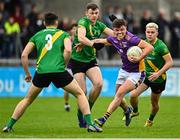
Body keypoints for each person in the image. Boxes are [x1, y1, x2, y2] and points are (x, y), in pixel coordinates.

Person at [2, 12, 102, 133]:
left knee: (27, 99)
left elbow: (24, 55)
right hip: (59, 71)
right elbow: (69, 50)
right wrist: (64, 65)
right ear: (56, 22)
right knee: (80, 94)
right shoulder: (63, 34)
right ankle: (90, 124)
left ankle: (9, 125)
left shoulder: (37, 35)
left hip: (41, 72)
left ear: (44, 23)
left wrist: (28, 74)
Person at [91, 18, 154, 127]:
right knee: (118, 96)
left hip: (137, 73)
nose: (119, 32)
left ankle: (103, 119)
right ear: (113, 30)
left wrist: (140, 58)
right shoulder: (113, 38)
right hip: (124, 70)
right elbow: (102, 41)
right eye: (116, 30)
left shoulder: (132, 39)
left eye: (122, 30)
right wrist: (85, 43)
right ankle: (127, 110)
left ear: (126, 29)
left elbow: (149, 47)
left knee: (120, 94)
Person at [68, 3, 114, 128]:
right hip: (77, 60)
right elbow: (81, 38)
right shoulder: (83, 22)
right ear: (86, 14)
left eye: (96, 13)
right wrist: (94, 44)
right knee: (82, 91)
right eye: (91, 13)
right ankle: (80, 115)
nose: (94, 16)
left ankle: (87, 109)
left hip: (90, 60)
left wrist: (102, 40)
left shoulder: (100, 25)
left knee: (99, 84)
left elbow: (116, 37)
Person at [129, 22, 173, 127]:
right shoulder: (143, 44)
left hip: (158, 79)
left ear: (157, 33)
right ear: (145, 32)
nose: (150, 34)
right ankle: (135, 111)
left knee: (154, 103)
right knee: (133, 95)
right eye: (148, 32)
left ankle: (150, 120)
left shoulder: (161, 46)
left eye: (152, 32)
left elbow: (170, 62)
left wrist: (158, 73)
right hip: (146, 77)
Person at [64, 23, 78, 112]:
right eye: (74, 29)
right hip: (69, 67)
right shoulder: (67, 40)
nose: (75, 30)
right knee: (67, 89)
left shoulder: (81, 39)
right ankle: (66, 103)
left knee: (80, 88)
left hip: (78, 67)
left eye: (77, 29)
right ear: (71, 30)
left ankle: (80, 106)